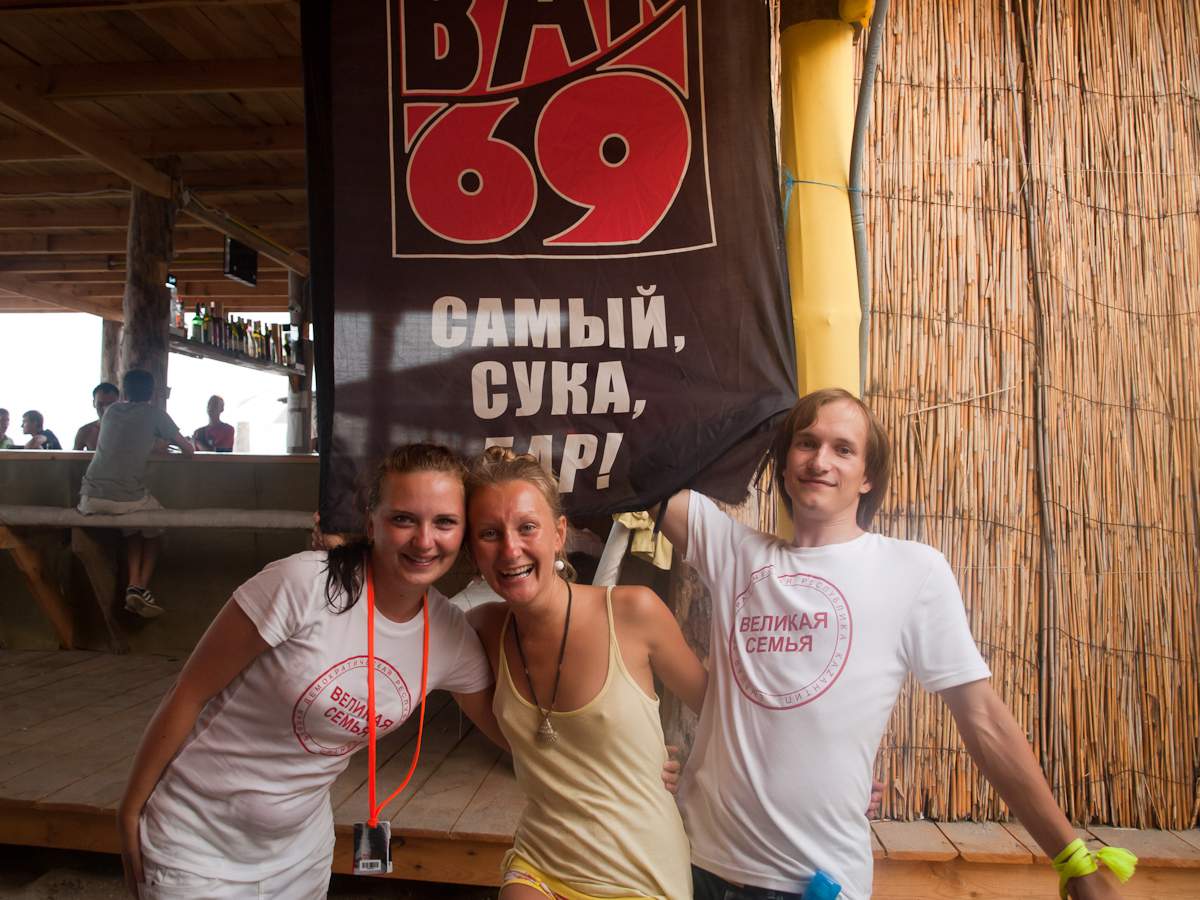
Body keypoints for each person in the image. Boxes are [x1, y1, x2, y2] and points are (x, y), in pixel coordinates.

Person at [652, 388, 1123, 900]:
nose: (820, 461)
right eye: (806, 443)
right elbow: (644, 467)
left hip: (812, 885)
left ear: (867, 477)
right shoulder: (734, 551)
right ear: (784, 465)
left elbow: (983, 719)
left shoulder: (911, 571)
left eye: (843, 449)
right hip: (695, 867)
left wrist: (1073, 859)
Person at [118, 444, 503, 900]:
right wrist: (130, 809)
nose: (424, 540)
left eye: (444, 522)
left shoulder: (449, 635)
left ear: (464, 533)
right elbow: (188, 692)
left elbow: (512, 735)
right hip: (195, 845)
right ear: (371, 522)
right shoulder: (301, 584)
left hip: (300, 856)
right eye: (403, 519)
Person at [465, 447, 707, 900]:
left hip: (639, 873)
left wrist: (690, 768)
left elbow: (721, 712)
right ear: (472, 549)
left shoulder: (632, 613)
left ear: (559, 534)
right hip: (540, 862)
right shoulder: (481, 630)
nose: (510, 549)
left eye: (527, 527)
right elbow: (522, 742)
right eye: (490, 533)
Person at [77, 369, 194, 618]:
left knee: (135, 526)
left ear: (124, 391)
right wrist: (166, 443)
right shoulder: (156, 414)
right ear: (152, 392)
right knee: (157, 523)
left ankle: (134, 585)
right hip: (125, 498)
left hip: (88, 497)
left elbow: (121, 442)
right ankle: (140, 586)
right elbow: (189, 450)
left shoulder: (111, 411)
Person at [74, 382, 121, 451]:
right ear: (94, 403)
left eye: (110, 404)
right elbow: (74, 457)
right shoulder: (85, 431)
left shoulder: (128, 430)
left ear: (119, 404)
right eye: (100, 404)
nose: (105, 409)